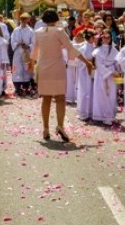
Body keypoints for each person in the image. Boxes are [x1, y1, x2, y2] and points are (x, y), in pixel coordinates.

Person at [30, 10, 92, 142]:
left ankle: (45, 128)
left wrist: (31, 64)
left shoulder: (38, 32)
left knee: (46, 98)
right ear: (56, 19)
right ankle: (60, 126)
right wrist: (86, 62)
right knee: (60, 98)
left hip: (44, 67)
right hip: (57, 67)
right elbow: (71, 49)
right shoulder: (59, 31)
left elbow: (35, 51)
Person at [91, 32, 120, 126]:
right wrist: (110, 73)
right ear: (101, 38)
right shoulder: (97, 50)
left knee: (111, 94)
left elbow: (117, 62)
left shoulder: (114, 50)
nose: (106, 39)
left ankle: (110, 115)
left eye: (108, 37)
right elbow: (98, 64)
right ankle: (102, 115)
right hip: (101, 74)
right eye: (104, 37)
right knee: (102, 93)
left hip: (112, 73)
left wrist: (118, 71)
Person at [10, 14, 36, 97]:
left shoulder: (31, 31)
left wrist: (28, 46)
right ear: (20, 20)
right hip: (18, 51)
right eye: (22, 19)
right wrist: (18, 43)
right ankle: (18, 88)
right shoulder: (16, 30)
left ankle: (26, 87)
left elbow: (34, 42)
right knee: (17, 69)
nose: (24, 21)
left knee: (27, 69)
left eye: (25, 19)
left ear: (28, 20)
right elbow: (12, 41)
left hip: (27, 52)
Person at [75, 30, 98, 123]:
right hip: (84, 71)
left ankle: (91, 111)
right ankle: (84, 112)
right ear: (89, 38)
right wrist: (87, 62)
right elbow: (78, 61)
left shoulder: (95, 47)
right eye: (93, 37)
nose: (94, 39)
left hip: (93, 70)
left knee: (92, 91)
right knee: (85, 91)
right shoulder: (83, 48)